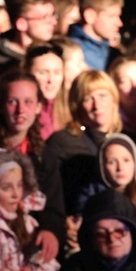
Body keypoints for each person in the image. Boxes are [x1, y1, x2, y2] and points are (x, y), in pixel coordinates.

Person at [40, 70, 123, 221]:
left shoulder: (127, 141)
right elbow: (49, 192)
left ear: (114, 99)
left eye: (102, 96)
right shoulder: (62, 142)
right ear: (76, 105)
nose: (97, 105)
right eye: (88, 99)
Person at [70, 133, 136, 253]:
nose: (120, 168)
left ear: (135, 163)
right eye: (112, 162)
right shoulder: (90, 196)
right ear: (102, 167)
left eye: (126, 160)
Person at [0, 0, 57, 75]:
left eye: (53, 15)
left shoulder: (56, 52)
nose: (54, 22)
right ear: (21, 24)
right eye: (44, 17)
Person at [67, 0, 124, 71]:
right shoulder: (72, 53)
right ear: (90, 16)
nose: (119, 23)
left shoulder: (114, 54)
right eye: (112, 16)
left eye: (118, 16)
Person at [22, 42, 66, 141]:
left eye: (57, 72)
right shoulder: (20, 110)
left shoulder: (70, 107)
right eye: (43, 73)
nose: (51, 80)